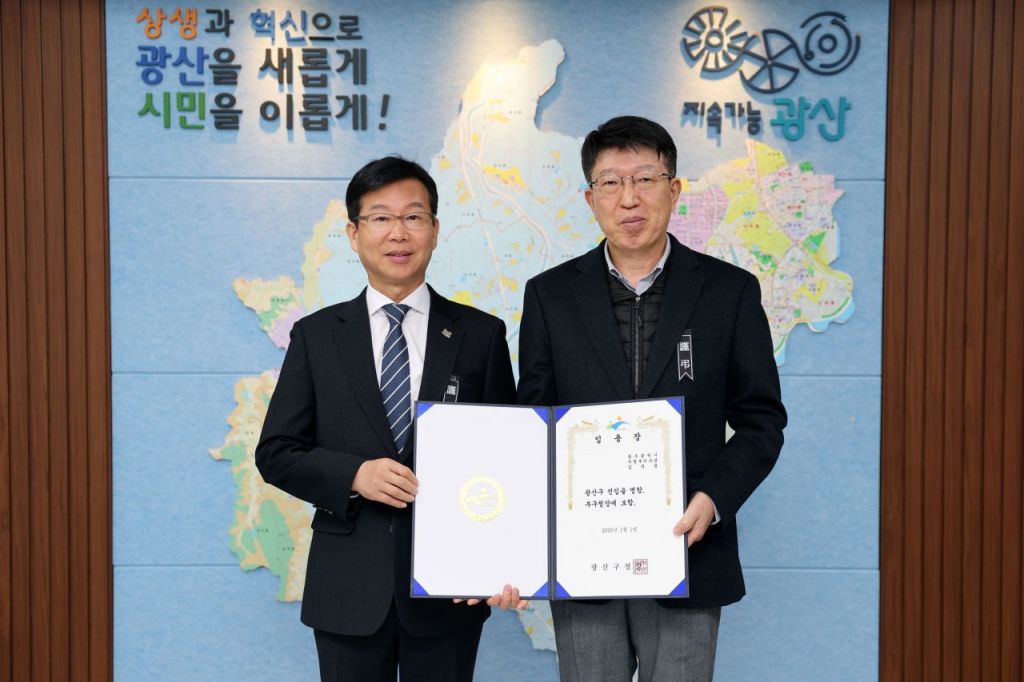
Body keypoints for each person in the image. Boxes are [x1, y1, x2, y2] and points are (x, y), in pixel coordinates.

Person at [517, 116, 787, 681]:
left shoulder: (729, 292)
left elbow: (761, 420)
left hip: (689, 548)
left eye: (645, 179)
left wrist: (714, 498)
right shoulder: (550, 296)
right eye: (611, 183)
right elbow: (531, 424)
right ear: (590, 198)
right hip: (584, 557)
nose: (629, 198)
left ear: (674, 189)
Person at [256, 156, 520, 682]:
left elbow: (509, 460)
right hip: (347, 589)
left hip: (450, 589)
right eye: (380, 218)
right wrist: (354, 474)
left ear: (435, 230)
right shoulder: (317, 336)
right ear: (354, 234)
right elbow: (276, 452)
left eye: (413, 217)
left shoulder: (481, 335)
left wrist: (503, 560)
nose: (398, 233)